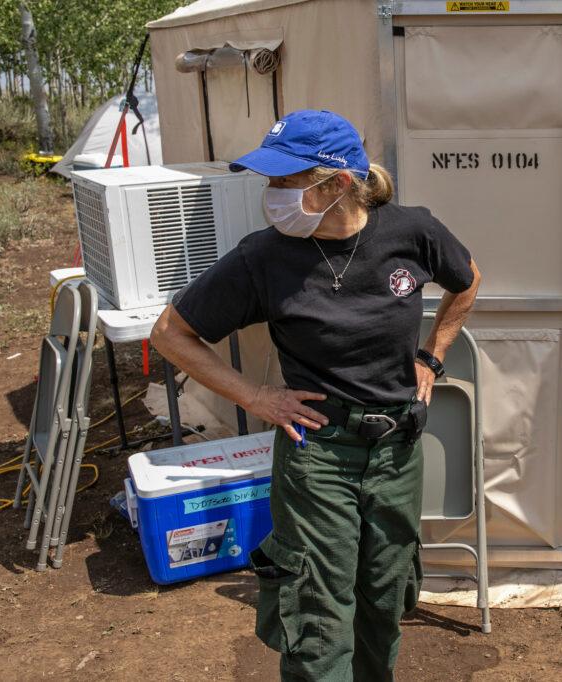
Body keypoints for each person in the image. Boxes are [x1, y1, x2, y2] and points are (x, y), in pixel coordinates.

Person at [151, 109, 481, 681]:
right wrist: (256, 397)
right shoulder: (264, 257)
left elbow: (468, 278)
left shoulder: (412, 231)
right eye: (270, 181)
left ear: (337, 184)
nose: (272, 194)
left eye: (286, 181)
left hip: (398, 450)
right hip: (318, 455)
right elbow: (170, 335)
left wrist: (432, 356)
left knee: (384, 597)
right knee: (318, 614)